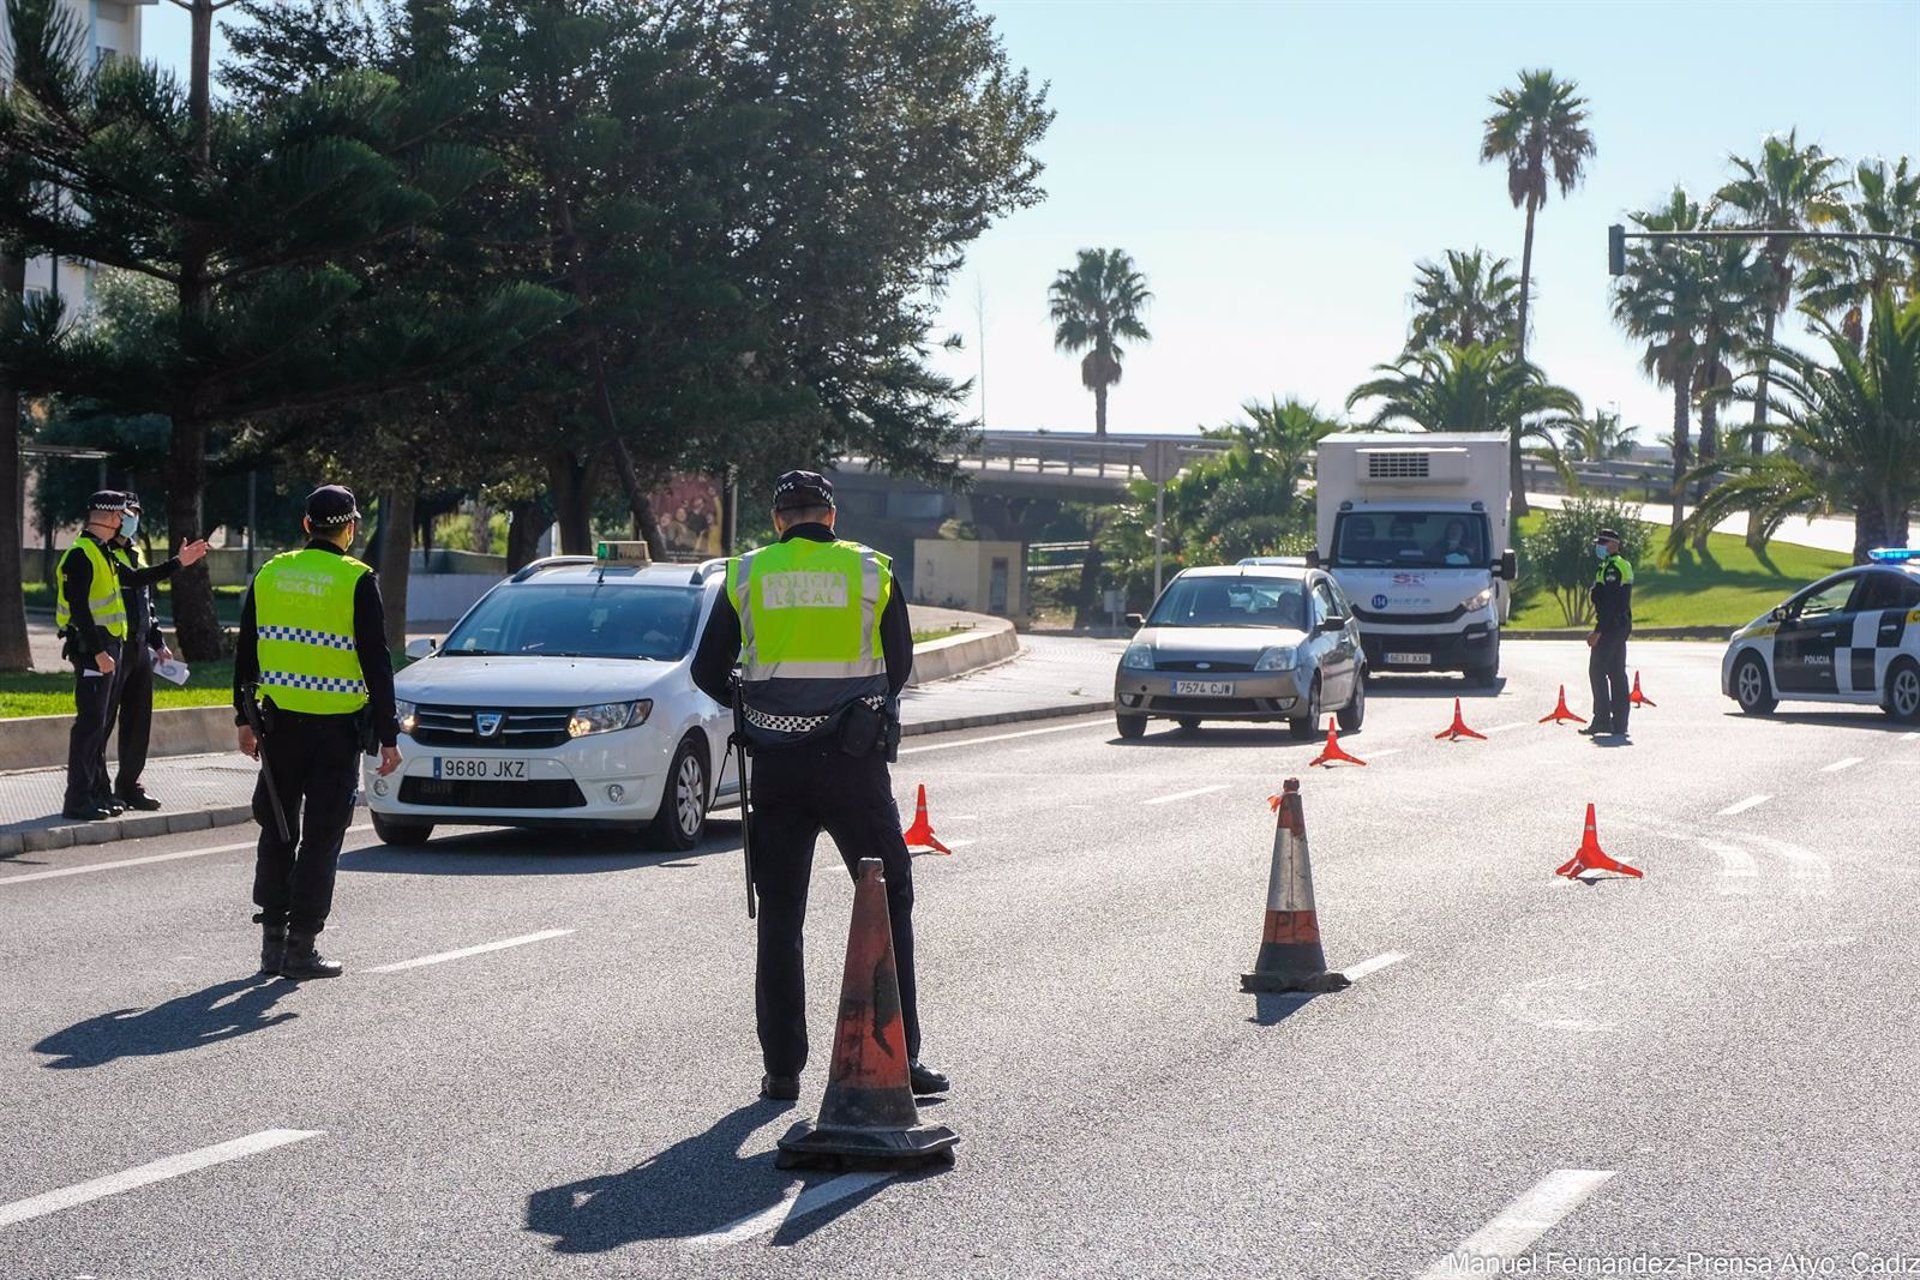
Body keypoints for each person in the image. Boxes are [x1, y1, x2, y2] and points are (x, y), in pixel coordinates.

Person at [689, 470, 948, 1103]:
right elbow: (901, 665)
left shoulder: (745, 575)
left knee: (780, 916)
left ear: (778, 522)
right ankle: (902, 1059)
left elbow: (705, 670)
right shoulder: (872, 571)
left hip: (776, 765)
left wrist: (757, 713)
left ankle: (782, 1070)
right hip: (853, 764)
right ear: (831, 517)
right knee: (888, 904)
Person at [233, 485, 402, 979]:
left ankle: (271, 945)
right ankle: (301, 949)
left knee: (279, 828)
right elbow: (377, 660)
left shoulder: (270, 573)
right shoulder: (356, 579)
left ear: (307, 525)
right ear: (350, 529)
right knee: (323, 835)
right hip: (335, 734)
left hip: (278, 726)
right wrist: (389, 734)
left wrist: (243, 719)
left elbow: (247, 652)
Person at [103, 492, 210, 810]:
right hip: (112, 646)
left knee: (138, 721)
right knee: (103, 720)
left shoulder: (136, 552)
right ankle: (95, 785)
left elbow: (145, 603)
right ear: (113, 518)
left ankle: (129, 784)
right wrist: (178, 563)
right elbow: (136, 581)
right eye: (126, 513)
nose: (131, 519)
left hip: (138, 647)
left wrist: (158, 642)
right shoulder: (103, 553)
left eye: (135, 512)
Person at [56, 492, 134, 821]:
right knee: (88, 726)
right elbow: (80, 611)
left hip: (105, 646)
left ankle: (92, 794)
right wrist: (100, 652)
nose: (122, 521)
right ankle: (76, 800)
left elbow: (133, 580)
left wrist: (178, 563)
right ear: (106, 517)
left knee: (97, 724)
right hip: (92, 650)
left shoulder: (102, 551)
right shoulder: (80, 554)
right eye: (119, 516)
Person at [1583, 527, 1635, 739]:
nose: (1600, 546)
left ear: (1614, 544)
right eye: (1599, 542)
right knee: (1615, 672)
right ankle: (1620, 722)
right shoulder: (1614, 565)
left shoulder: (1613, 568)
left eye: (1604, 542)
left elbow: (1610, 604)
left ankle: (1602, 719)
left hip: (1612, 626)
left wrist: (1598, 631)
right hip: (1621, 625)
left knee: (1597, 669)